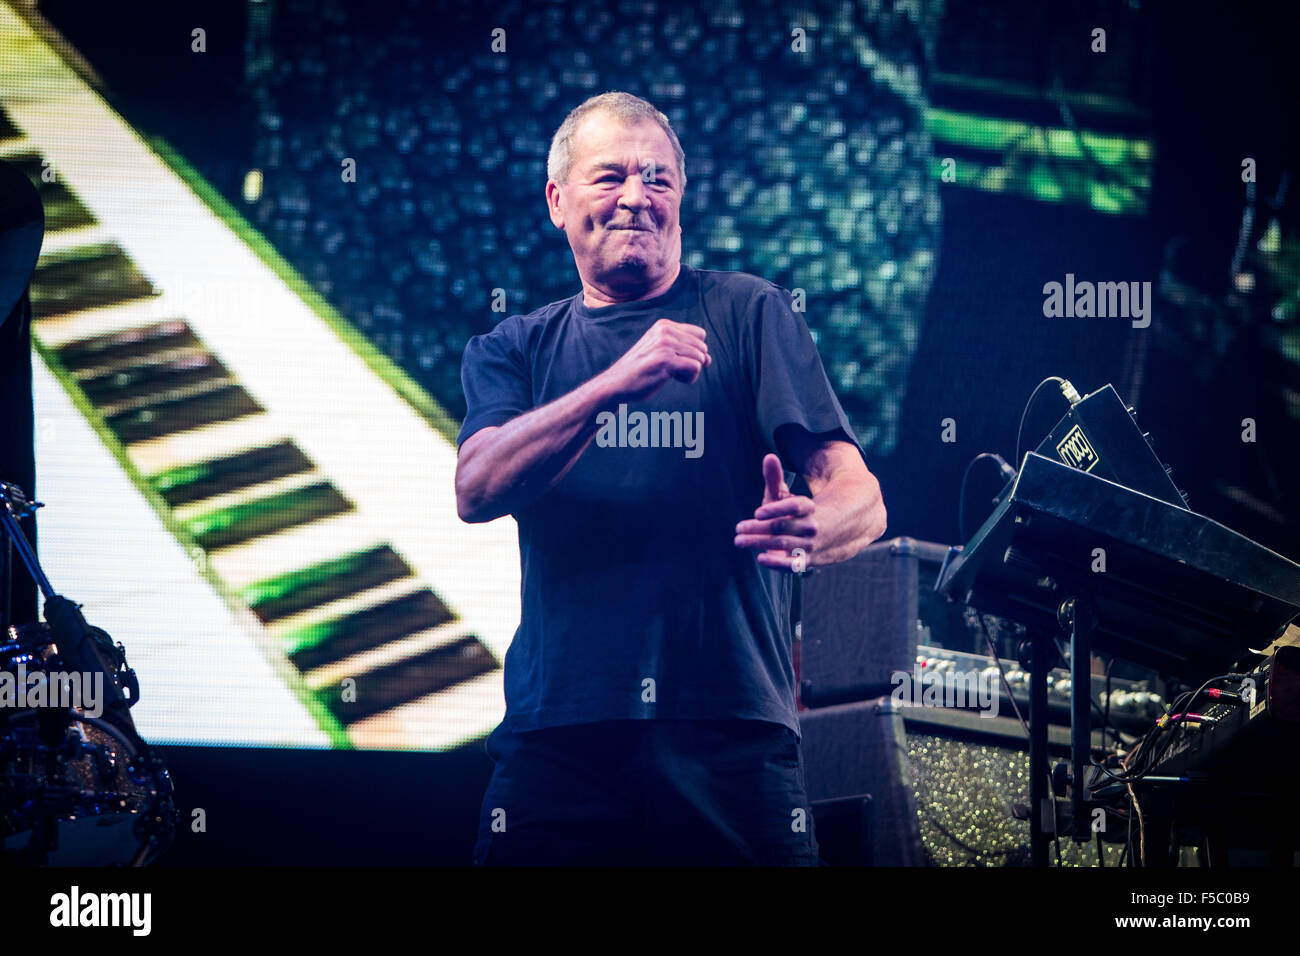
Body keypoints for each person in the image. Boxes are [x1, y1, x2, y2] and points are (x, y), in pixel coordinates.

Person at [456, 92, 887, 865]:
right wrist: (616, 381)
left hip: (732, 741)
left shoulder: (748, 312)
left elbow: (862, 496)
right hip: (560, 741)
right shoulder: (513, 348)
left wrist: (817, 529)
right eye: (609, 176)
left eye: (656, 177)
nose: (634, 196)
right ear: (557, 200)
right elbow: (477, 488)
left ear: (680, 196)